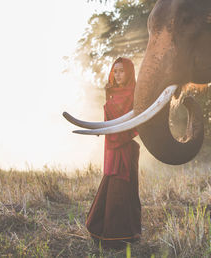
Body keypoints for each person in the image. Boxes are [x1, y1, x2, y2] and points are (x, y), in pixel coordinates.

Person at [86, 57, 141, 249]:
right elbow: (109, 121)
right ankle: (104, 232)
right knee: (111, 184)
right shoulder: (111, 93)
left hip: (124, 147)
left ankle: (119, 237)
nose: (117, 75)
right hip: (112, 147)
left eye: (121, 71)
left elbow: (134, 124)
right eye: (115, 71)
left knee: (122, 190)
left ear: (129, 72)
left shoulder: (136, 93)